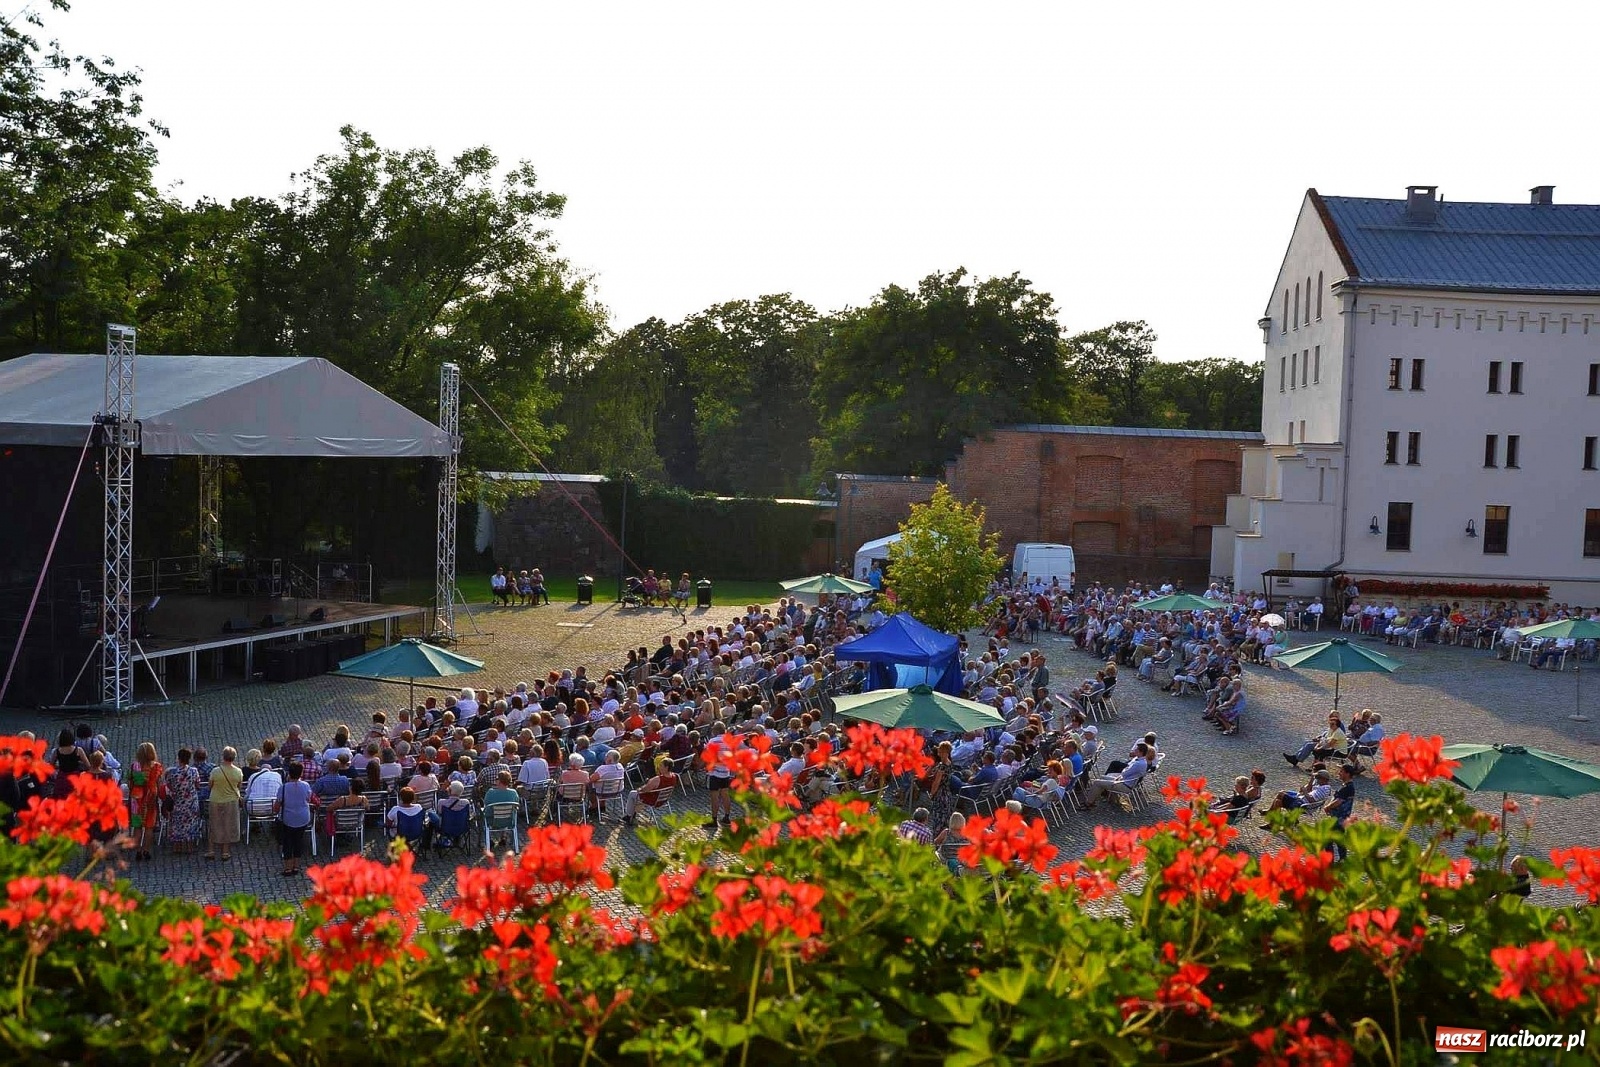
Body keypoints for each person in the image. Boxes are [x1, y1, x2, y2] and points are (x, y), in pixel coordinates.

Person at [274, 761, 315, 877]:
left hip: (288, 818)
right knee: (298, 841)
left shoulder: (283, 788)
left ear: (289, 773)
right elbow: (308, 799)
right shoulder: (306, 786)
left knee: (287, 843)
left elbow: (277, 806)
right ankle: (296, 866)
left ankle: (288, 868)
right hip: (303, 818)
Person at [162, 748, 204, 855]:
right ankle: (189, 847)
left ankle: (177, 847)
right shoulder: (193, 771)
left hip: (178, 801)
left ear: (178, 757)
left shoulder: (172, 772)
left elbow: (169, 786)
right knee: (190, 823)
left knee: (177, 823)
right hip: (191, 802)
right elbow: (197, 785)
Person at [127, 742, 165, 862]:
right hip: (150, 798)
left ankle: (138, 850)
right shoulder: (157, 766)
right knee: (149, 826)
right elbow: (159, 783)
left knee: (137, 827)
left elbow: (130, 783)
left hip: (136, 799)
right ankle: (146, 850)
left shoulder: (134, 766)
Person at [205, 747, 244, 861]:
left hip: (215, 800)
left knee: (214, 825)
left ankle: (211, 850)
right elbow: (239, 787)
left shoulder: (215, 771)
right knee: (227, 825)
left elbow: (210, 786)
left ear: (223, 756)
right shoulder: (238, 772)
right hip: (231, 802)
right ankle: (225, 852)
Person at [624, 756, 679, 825]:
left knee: (632, 793)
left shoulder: (658, 779)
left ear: (666, 767)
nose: (659, 767)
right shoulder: (674, 777)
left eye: (661, 765)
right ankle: (633, 813)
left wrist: (639, 789)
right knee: (636, 796)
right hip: (663, 799)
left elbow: (645, 790)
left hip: (653, 799)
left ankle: (629, 816)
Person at [482, 771, 520, 849]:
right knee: (506, 813)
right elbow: (516, 804)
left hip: (492, 821)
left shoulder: (490, 793)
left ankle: (489, 840)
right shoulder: (513, 793)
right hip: (509, 820)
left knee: (483, 816)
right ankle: (503, 837)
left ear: (499, 781)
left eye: (496, 778)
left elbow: (485, 805)